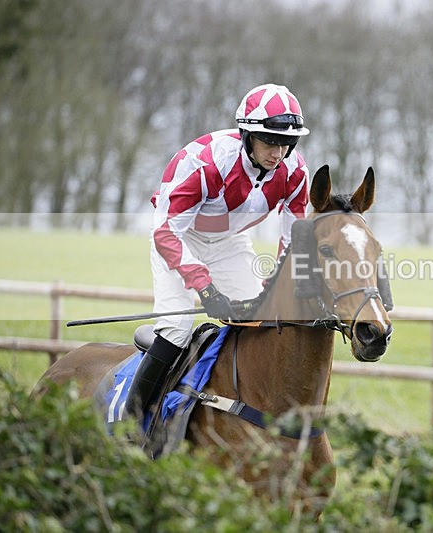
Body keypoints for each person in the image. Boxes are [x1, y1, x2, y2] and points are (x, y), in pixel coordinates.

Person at [125, 84, 310, 419]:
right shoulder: (204, 162)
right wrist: (206, 288)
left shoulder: (295, 172)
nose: (278, 152)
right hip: (180, 238)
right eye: (269, 140)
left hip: (229, 243)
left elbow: (293, 236)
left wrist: (273, 285)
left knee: (261, 323)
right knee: (177, 328)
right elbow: (166, 231)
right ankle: (131, 422)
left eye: (286, 143)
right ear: (247, 135)